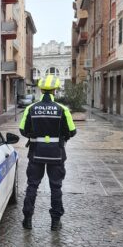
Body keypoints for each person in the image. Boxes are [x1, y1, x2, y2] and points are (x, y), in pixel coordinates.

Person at [19, 75, 77, 231]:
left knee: (32, 185)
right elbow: (72, 131)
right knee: (55, 187)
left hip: (36, 153)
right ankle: (55, 222)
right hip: (56, 154)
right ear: (55, 90)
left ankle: (28, 220)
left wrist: (35, 135)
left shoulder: (31, 108)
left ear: (41, 89)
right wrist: (61, 136)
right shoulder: (62, 109)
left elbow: (23, 130)